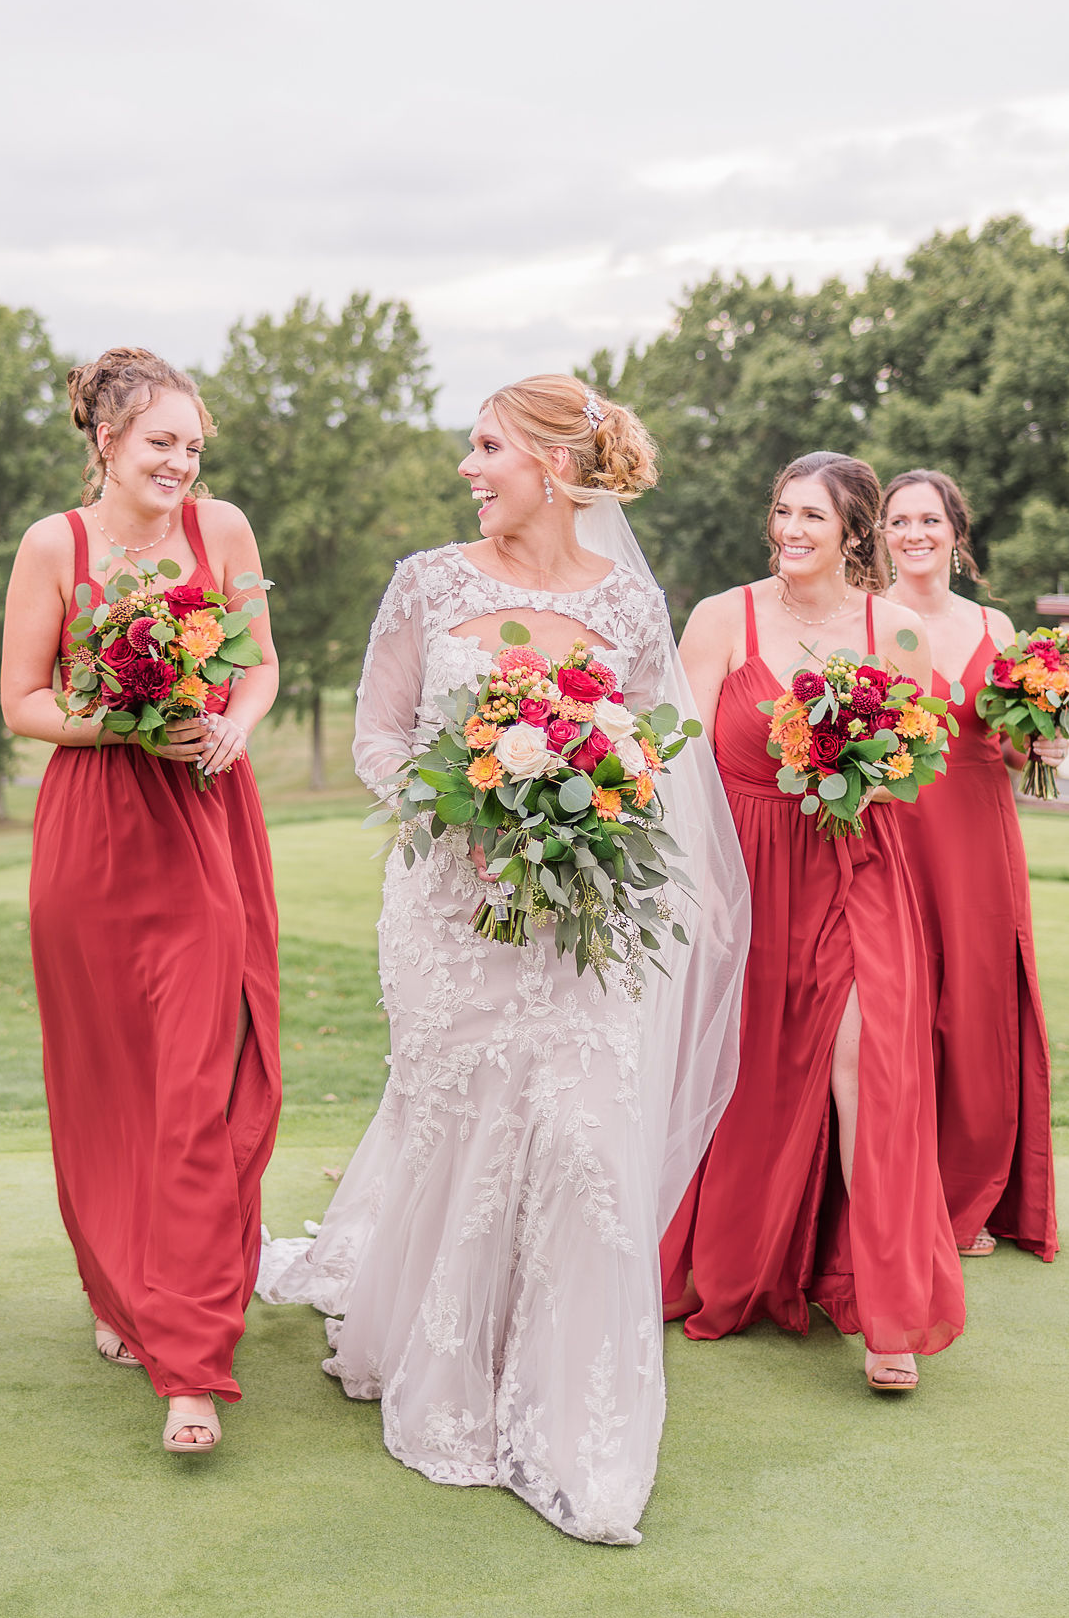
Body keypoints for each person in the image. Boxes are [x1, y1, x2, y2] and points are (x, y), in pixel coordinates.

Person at [258, 376, 750, 1545]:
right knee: (462, 1116)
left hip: (574, 914)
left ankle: (570, 1398)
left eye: (487, 446)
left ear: (550, 464)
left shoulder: (631, 606)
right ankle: (441, 1349)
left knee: (579, 1134)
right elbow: (381, 739)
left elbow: (651, 760)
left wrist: (577, 817)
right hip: (445, 910)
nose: (468, 467)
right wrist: (461, 815)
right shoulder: (426, 585)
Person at [1, 346, 281, 1456]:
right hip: (95, 828)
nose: (181, 460)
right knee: (111, 1077)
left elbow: (257, 663)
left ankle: (189, 1362)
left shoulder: (226, 530)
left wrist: (233, 722)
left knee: (197, 1079)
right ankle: (127, 1290)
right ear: (106, 442)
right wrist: (117, 720)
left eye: (193, 444)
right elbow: (25, 699)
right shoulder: (52, 546)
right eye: (161, 441)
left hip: (208, 818)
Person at [661, 450, 965, 1391]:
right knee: (745, 1068)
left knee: (861, 1063)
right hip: (746, 871)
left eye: (813, 520)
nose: (791, 532)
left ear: (853, 534)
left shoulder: (894, 630)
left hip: (858, 869)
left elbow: (924, 764)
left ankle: (886, 1316)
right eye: (782, 513)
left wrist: (872, 755)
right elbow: (677, 760)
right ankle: (743, 1263)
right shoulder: (723, 617)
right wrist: (700, 884)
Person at [881, 468, 1060, 1260]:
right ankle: (895, 1195)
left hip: (981, 836)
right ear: (879, 536)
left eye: (928, 520)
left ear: (956, 531)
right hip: (892, 831)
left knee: (978, 1012)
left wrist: (1046, 740)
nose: (913, 534)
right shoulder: (863, 620)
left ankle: (969, 1196)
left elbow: (1016, 745)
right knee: (899, 1009)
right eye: (897, 522)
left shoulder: (995, 623)